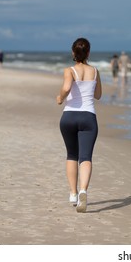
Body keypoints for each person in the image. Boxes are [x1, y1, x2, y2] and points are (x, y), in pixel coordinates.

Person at [57, 38, 102, 213]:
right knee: (86, 157)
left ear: (73, 53)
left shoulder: (69, 70)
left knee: (71, 155)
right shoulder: (95, 71)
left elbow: (67, 87)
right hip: (88, 117)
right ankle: (83, 189)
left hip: (69, 116)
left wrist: (60, 97)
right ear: (88, 53)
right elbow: (98, 95)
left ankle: (73, 194)